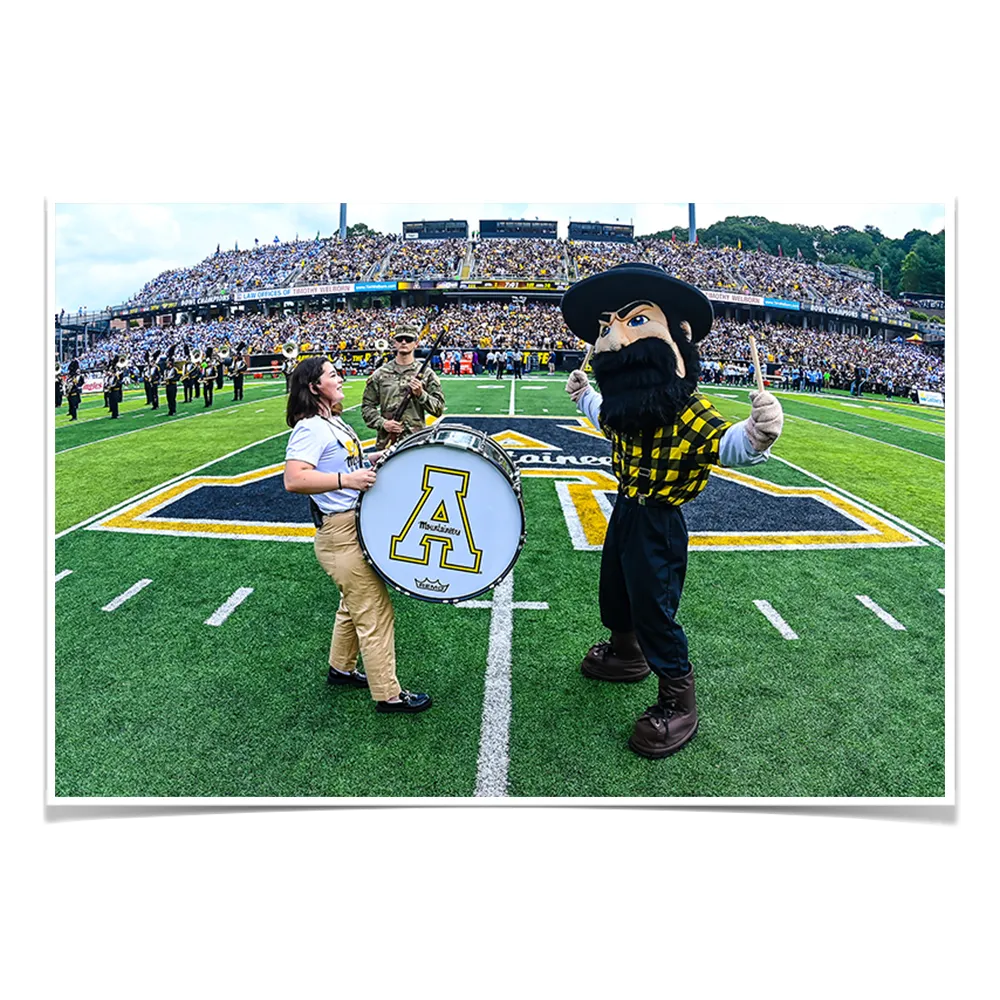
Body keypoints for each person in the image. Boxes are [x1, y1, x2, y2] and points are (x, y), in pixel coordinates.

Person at [561, 263, 784, 760]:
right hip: (626, 508)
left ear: (680, 338)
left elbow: (728, 446)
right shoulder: (626, 407)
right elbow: (602, 413)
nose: (613, 338)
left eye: (635, 321)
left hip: (660, 519)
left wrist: (758, 433)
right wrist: (584, 395)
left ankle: (678, 699)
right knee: (614, 588)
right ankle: (625, 650)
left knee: (654, 608)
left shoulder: (688, 410)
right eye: (607, 327)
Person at [283, 356, 432, 714]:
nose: (342, 378)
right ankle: (389, 694)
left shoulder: (332, 423)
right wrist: (347, 481)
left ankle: (341, 668)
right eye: (333, 375)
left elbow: (347, 465)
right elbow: (294, 479)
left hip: (352, 525)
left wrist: (376, 458)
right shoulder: (310, 428)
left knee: (353, 605)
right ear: (314, 387)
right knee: (375, 611)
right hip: (339, 532)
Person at [361, 324, 445, 451]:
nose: (404, 342)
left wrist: (421, 394)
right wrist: (382, 423)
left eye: (408, 339)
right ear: (394, 343)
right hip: (387, 443)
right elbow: (367, 406)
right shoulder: (380, 374)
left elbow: (438, 409)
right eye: (400, 339)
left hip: (416, 442)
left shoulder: (426, 374)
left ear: (415, 343)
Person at [163, 346, 181, 415]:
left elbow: (178, 377)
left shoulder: (175, 369)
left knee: (172, 398)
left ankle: (173, 410)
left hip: (173, 385)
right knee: (168, 399)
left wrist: (170, 379)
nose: (166, 364)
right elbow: (164, 377)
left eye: (167, 363)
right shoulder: (166, 370)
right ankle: (170, 410)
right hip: (167, 385)